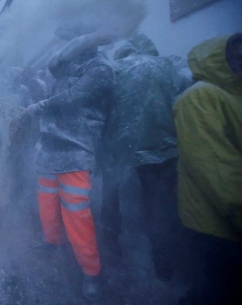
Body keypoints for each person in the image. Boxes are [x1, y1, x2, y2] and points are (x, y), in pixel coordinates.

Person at [26, 32, 114, 301]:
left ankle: (91, 272)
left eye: (71, 41)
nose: (64, 46)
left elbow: (75, 96)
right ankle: (51, 240)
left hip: (76, 149)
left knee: (77, 214)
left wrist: (37, 107)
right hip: (49, 148)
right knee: (46, 203)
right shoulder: (66, 66)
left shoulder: (100, 68)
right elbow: (53, 68)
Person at [100, 32, 191, 279]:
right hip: (161, 149)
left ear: (124, 50)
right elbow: (182, 93)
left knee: (110, 196)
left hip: (119, 149)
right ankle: (164, 262)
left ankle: (110, 248)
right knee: (158, 205)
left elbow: (103, 107)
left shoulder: (114, 70)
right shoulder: (166, 66)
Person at [173, 33, 242, 305]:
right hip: (214, 223)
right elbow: (218, 171)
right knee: (218, 288)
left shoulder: (231, 95)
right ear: (217, 60)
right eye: (236, 58)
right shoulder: (201, 97)